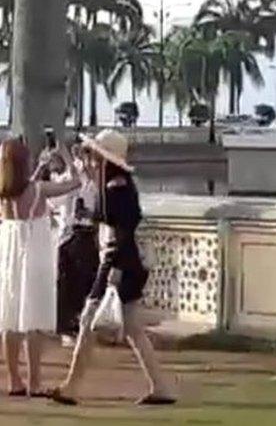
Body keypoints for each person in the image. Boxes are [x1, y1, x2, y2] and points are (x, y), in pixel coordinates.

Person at [52, 129, 176, 406]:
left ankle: (72, 385)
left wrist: (112, 271)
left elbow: (122, 230)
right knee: (132, 328)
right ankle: (161, 386)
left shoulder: (115, 188)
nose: (92, 159)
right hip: (121, 261)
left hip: (117, 262)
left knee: (88, 321)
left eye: (95, 154)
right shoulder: (114, 185)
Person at [0, 137, 80, 397]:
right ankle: (34, 382)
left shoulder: (4, 191)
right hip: (34, 253)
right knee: (33, 318)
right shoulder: (39, 190)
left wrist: (38, 169)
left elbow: (21, 187)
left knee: (11, 318)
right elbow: (75, 183)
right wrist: (67, 156)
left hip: (10, 253)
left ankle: (14, 380)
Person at [48, 144, 99, 347]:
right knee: (66, 284)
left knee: (87, 281)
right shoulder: (72, 180)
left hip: (88, 235)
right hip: (70, 236)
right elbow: (55, 199)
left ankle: (84, 324)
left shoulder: (97, 183)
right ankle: (67, 328)